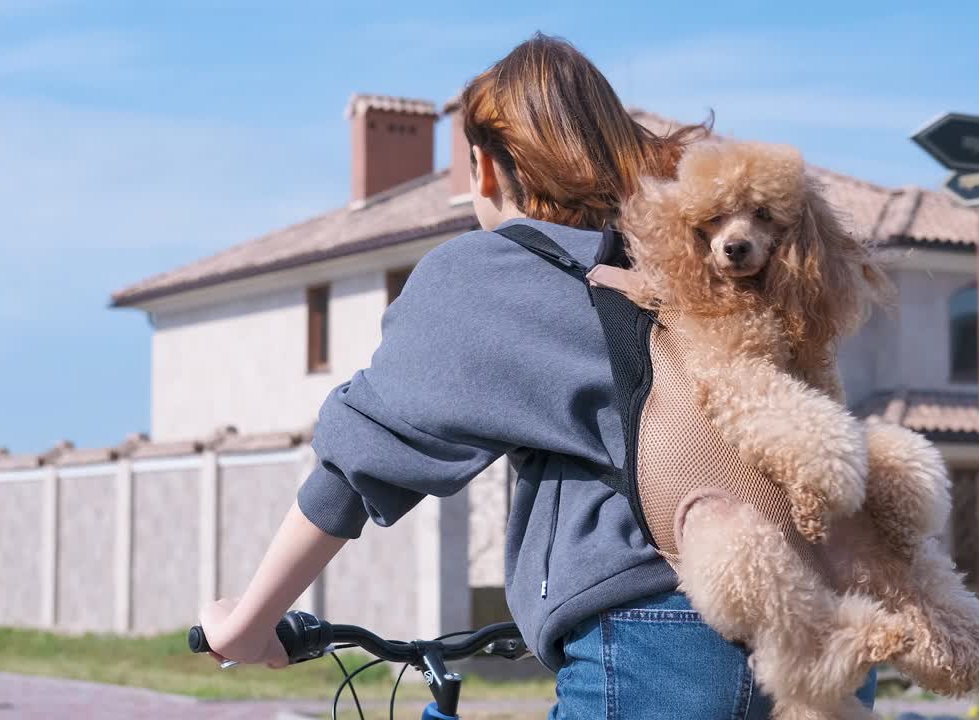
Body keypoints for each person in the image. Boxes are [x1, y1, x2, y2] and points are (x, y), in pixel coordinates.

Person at [198, 32, 877, 719]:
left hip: (666, 642)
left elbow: (357, 462)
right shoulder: (693, 253)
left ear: (486, 169)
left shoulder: (489, 276)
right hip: (830, 621)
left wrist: (249, 621)